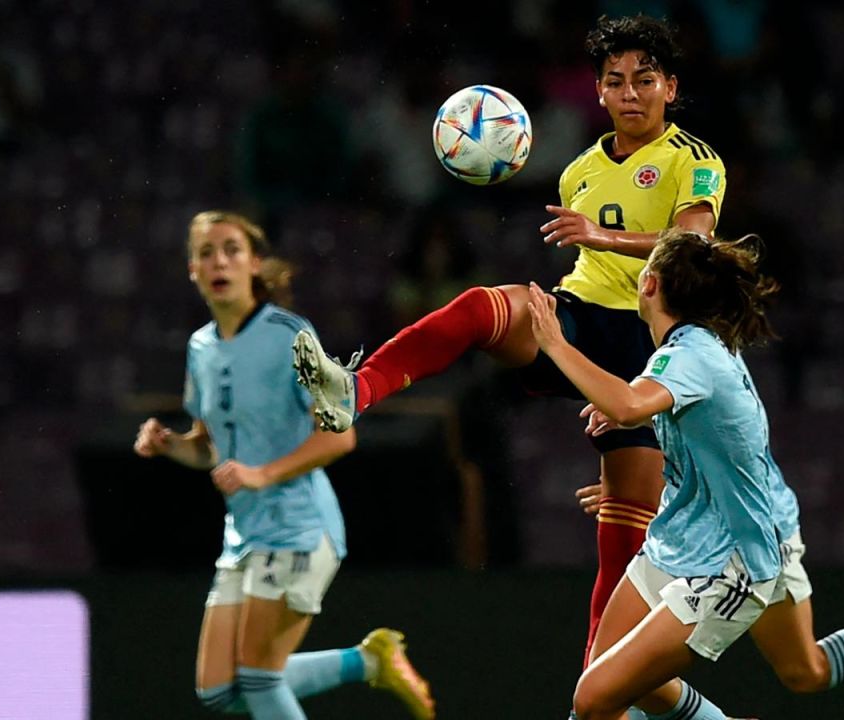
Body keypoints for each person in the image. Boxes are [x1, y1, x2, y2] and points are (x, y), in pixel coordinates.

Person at [292, 14, 727, 666]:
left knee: (624, 538)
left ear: (670, 86)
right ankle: (356, 390)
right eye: (615, 81)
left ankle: (602, 685)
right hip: (576, 321)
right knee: (482, 308)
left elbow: (694, 242)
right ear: (600, 92)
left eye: (644, 80)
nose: (630, 93)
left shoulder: (693, 160)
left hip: (654, 346)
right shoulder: (578, 169)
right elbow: (587, 262)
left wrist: (602, 237)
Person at [525, 228, 844, 720]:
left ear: (649, 284)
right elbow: (704, 428)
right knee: (782, 672)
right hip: (703, 529)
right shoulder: (696, 346)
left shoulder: (689, 356)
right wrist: (647, 432)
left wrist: (556, 345)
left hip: (731, 557)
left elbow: (626, 406)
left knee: (597, 697)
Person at [133, 211, 434, 720]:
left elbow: (341, 437)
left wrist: (262, 474)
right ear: (192, 269)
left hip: (298, 527)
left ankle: (368, 661)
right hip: (245, 534)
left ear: (254, 263)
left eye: (231, 249)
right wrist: (171, 446)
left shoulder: (289, 335)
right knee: (220, 691)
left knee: (257, 677)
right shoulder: (201, 348)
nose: (219, 261)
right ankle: (367, 661)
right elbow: (212, 449)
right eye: (206, 253)